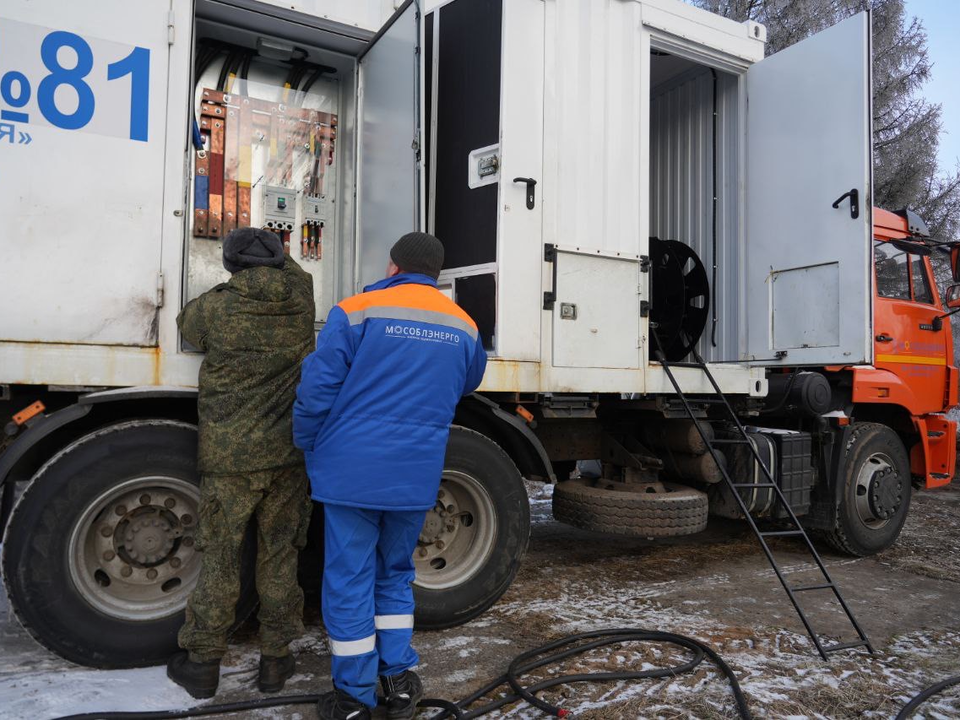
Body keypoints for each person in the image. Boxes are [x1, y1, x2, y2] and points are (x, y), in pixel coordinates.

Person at [294, 232, 487, 720]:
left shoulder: (355, 311)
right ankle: (398, 677)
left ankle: (354, 697)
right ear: (437, 274)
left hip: (351, 470)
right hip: (414, 472)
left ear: (393, 266)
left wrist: (306, 440)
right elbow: (467, 381)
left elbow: (318, 387)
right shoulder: (463, 326)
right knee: (396, 573)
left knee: (349, 577)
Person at [167, 227, 317, 699]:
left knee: (221, 557)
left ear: (231, 266)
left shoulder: (216, 308)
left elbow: (184, 323)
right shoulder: (301, 301)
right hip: (289, 456)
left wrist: (231, 279)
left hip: (229, 461)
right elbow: (296, 271)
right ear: (278, 261)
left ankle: (203, 664)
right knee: (279, 554)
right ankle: (275, 661)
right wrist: (278, 258)